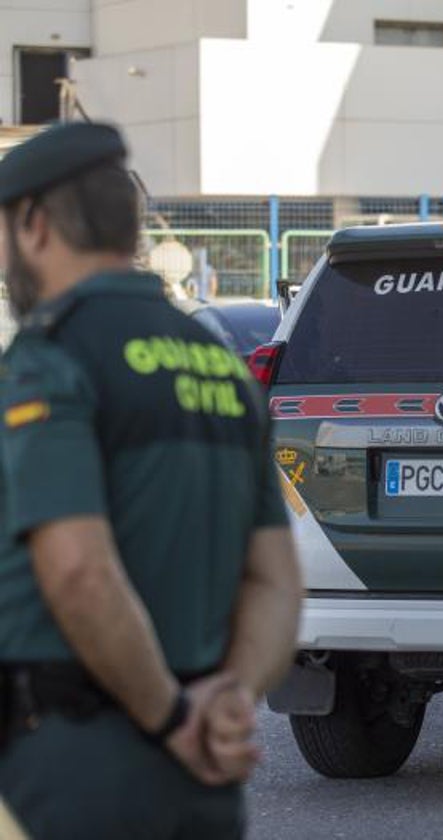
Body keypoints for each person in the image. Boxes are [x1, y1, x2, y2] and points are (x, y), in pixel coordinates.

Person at [0, 122, 302, 837]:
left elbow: (80, 574)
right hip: (201, 779)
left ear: (35, 224)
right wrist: (227, 703)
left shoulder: (53, 358)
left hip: (69, 770)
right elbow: (278, 582)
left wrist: (168, 716)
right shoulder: (222, 366)